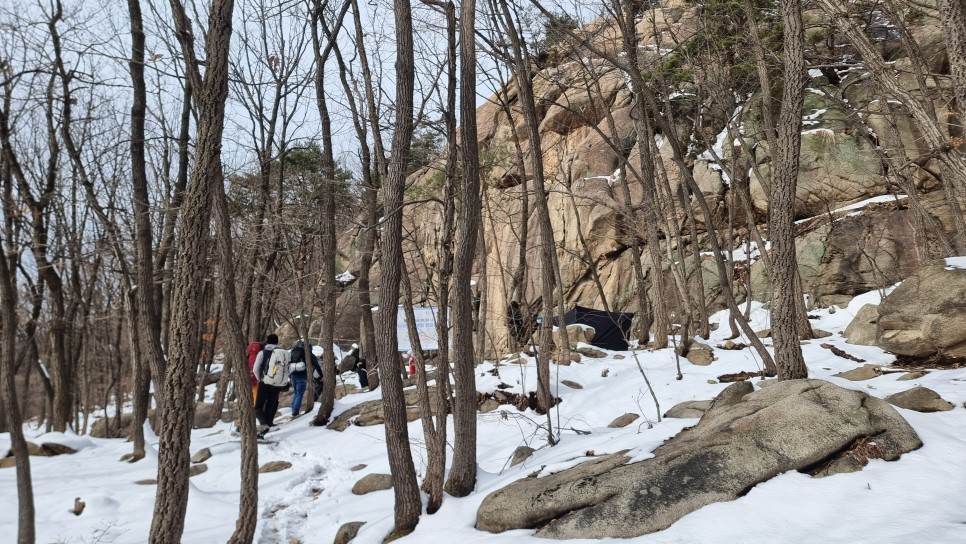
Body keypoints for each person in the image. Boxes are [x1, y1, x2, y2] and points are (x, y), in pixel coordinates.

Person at [252, 334, 288, 434]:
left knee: (258, 407)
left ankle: (264, 425)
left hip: (265, 382)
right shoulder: (282, 353)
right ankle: (268, 424)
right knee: (270, 405)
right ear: (277, 342)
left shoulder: (262, 352)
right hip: (278, 383)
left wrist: (261, 379)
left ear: (267, 341)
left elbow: (255, 369)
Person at [289, 340, 322, 417]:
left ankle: (293, 408)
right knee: (300, 393)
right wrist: (321, 376)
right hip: (302, 375)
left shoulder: (293, 352)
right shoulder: (309, 354)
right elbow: (316, 365)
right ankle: (295, 411)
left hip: (293, 374)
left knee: (296, 392)